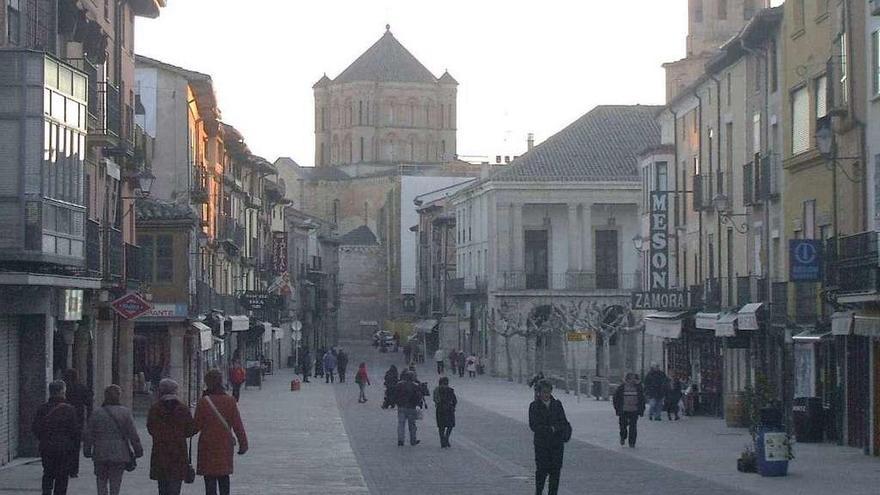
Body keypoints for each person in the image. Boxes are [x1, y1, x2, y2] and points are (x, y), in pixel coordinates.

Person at [194, 369, 248, 495]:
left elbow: (195, 426)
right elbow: (238, 425)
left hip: (207, 446)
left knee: (209, 479)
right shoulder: (230, 401)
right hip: (224, 445)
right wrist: (243, 444)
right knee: (224, 476)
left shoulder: (203, 402)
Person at [82, 385, 143, 495]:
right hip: (119, 453)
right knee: (115, 482)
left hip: (100, 452)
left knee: (101, 481)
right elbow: (133, 434)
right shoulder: (125, 413)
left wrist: (87, 450)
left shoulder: (97, 413)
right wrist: (138, 450)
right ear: (119, 396)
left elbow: (89, 434)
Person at [147, 379, 198, 495]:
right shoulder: (183, 408)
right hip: (178, 452)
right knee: (175, 485)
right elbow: (191, 430)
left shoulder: (155, 409)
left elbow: (151, 428)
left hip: (160, 451)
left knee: (162, 486)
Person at [33, 380, 80, 495]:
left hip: (47, 447)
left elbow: (35, 428)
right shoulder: (69, 410)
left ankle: (47, 492)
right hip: (64, 448)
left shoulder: (43, 409)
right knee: (62, 477)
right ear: (61, 392)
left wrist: (44, 439)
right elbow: (75, 432)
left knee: (48, 473)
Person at [529, 380, 571, 495]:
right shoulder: (534, 406)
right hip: (542, 445)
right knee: (541, 472)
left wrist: (560, 432)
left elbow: (563, 422)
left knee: (555, 473)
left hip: (556, 445)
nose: (546, 394)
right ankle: (538, 492)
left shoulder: (557, 404)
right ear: (539, 392)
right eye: (544, 392)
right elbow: (534, 425)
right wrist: (551, 429)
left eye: (548, 392)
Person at [62, 369, 92, 478]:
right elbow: (89, 402)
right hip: (77, 420)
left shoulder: (63, 389)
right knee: (75, 446)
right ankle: (74, 470)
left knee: (64, 445)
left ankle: (63, 467)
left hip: (63, 420)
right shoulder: (81, 388)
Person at [613, 373, 646, 448]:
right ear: (627, 379)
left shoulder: (638, 388)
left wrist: (641, 410)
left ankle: (632, 442)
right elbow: (616, 399)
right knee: (623, 426)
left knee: (633, 427)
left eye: (634, 378)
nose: (633, 380)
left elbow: (642, 399)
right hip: (624, 410)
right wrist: (617, 409)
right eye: (631, 378)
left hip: (634, 410)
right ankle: (623, 436)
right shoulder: (621, 388)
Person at [393, 371, 423, 446]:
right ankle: (413, 440)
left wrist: (397, 403)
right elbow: (419, 397)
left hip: (401, 407)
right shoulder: (415, 386)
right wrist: (419, 404)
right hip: (411, 407)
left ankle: (400, 440)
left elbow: (395, 395)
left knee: (401, 424)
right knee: (412, 425)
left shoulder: (399, 385)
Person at [433, 377, 457, 448]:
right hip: (449, 409)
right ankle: (446, 438)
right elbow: (455, 400)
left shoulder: (436, 390)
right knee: (450, 425)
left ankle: (442, 440)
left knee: (441, 426)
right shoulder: (450, 390)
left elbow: (435, 399)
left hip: (440, 409)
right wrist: (453, 406)